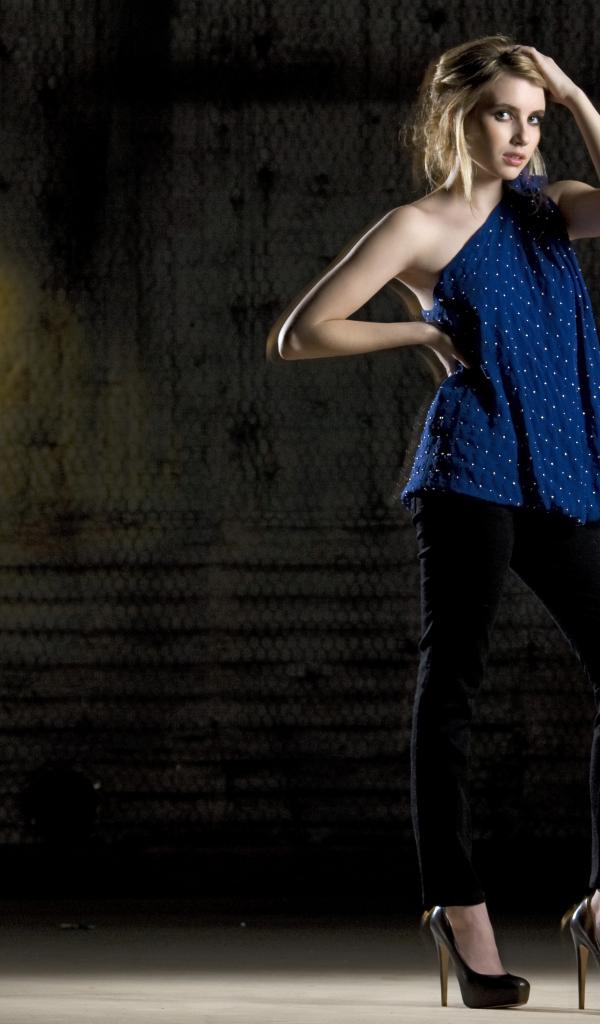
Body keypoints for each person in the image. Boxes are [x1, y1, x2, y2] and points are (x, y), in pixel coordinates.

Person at [266, 34, 600, 1009]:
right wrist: (420, 326)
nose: (521, 134)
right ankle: (461, 911)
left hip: (561, 470)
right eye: (503, 113)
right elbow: (301, 334)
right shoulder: (418, 226)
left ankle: (598, 904)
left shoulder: (552, 209)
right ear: (458, 116)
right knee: (451, 689)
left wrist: (577, 96)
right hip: (470, 471)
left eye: (533, 118)